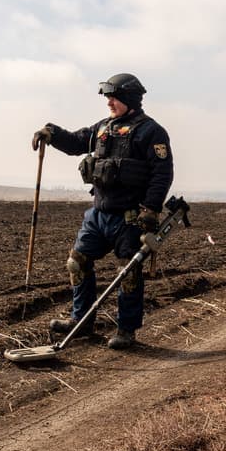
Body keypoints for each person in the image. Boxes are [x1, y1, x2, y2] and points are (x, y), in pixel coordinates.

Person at [31, 73, 173, 350]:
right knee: (77, 262)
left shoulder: (151, 132)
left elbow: (162, 173)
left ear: (129, 99)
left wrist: (152, 210)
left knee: (128, 273)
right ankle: (81, 322)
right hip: (98, 214)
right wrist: (52, 133)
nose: (109, 102)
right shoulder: (102, 128)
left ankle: (126, 329)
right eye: (108, 97)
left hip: (130, 217)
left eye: (114, 97)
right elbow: (75, 142)